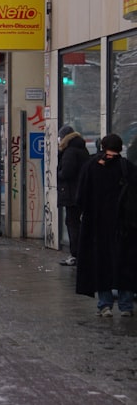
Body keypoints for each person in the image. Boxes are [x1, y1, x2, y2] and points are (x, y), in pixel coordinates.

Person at [75, 134, 137, 317]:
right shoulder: (128, 168)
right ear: (120, 147)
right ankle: (126, 306)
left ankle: (105, 305)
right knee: (126, 264)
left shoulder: (91, 167)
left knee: (101, 264)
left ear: (102, 146)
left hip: (98, 225)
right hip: (125, 226)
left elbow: (81, 197)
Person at [57, 124, 89, 266]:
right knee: (77, 222)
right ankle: (82, 252)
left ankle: (75, 254)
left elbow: (67, 172)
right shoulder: (82, 149)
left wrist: (59, 174)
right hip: (81, 192)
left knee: (72, 222)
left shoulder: (70, 151)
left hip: (71, 193)